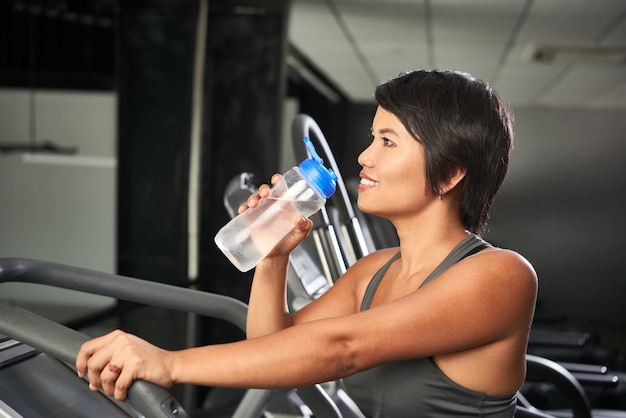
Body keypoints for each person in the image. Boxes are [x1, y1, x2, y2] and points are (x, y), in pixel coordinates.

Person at [76, 69, 537, 417]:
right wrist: (274, 257)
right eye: (371, 137)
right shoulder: (371, 272)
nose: (364, 157)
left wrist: (170, 364)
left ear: (450, 173)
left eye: (388, 142)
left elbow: (341, 349)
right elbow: (271, 351)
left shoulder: (501, 275)